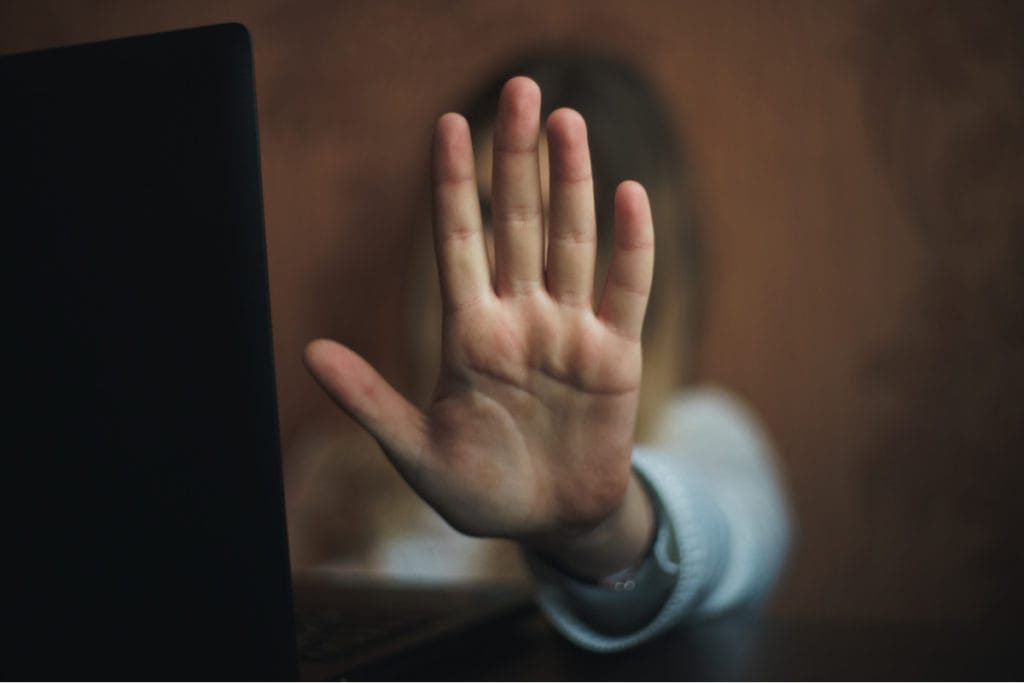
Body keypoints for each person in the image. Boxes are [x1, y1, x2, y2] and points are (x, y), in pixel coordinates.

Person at [304, 60, 791, 652]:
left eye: (560, 217)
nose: (515, 253)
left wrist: (597, 528)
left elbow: (723, 538)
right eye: (487, 210)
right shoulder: (339, 470)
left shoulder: (704, 433)